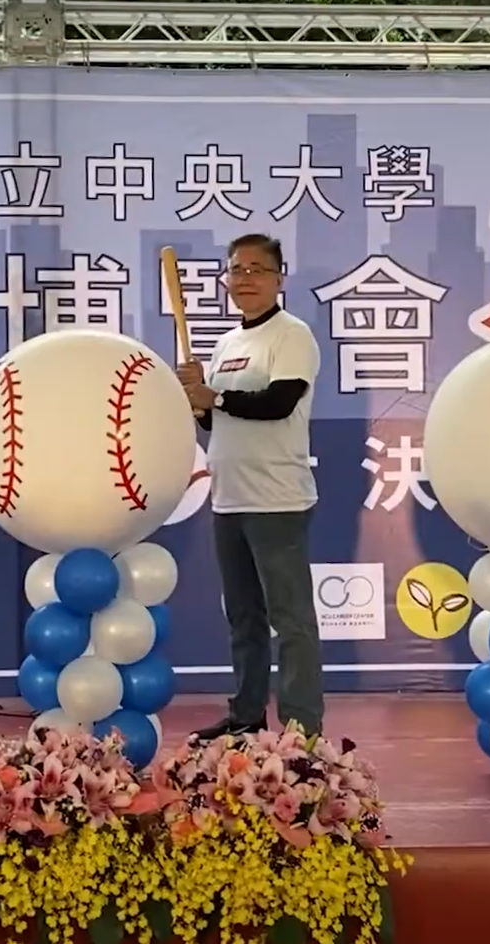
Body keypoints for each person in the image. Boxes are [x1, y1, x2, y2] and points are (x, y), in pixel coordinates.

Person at [176, 234, 324, 740]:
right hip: (229, 497)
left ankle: (302, 729)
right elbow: (215, 423)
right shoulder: (226, 344)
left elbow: (279, 403)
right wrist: (196, 398)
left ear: (279, 278)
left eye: (257, 269)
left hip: (277, 498)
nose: (245, 279)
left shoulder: (292, 335)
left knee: (291, 620)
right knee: (243, 617)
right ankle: (246, 715)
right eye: (236, 269)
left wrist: (213, 396)